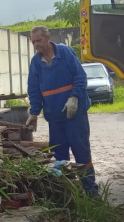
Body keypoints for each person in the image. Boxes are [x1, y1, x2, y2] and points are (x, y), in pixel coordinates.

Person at [24, 26, 96, 195]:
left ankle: (91, 193)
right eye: (33, 42)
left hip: (75, 115)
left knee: (82, 154)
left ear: (48, 37)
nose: (36, 45)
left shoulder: (65, 53)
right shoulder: (36, 63)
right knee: (60, 157)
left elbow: (80, 77)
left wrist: (74, 97)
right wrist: (34, 113)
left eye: (38, 40)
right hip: (55, 118)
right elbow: (34, 90)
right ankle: (68, 194)